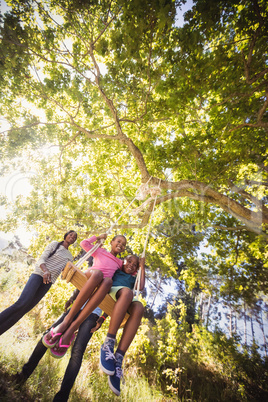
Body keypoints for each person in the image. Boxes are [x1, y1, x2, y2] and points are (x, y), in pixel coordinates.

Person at [13, 288, 109, 402]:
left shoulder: (119, 273)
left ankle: (61, 399)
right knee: (49, 334)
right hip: (77, 306)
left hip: (93, 315)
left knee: (77, 352)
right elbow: (84, 282)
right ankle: (22, 376)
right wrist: (72, 298)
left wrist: (102, 318)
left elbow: (113, 300)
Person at [42, 233, 127, 358]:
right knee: (98, 274)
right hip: (90, 276)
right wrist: (98, 237)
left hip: (101, 286)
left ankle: (71, 330)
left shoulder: (120, 263)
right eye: (118, 241)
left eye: (123, 244)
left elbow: (131, 271)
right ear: (111, 242)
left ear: (124, 249)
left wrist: (140, 265)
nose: (120, 245)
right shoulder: (100, 251)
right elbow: (84, 244)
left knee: (108, 281)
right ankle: (66, 323)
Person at [0, 230, 77, 336]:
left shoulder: (69, 256)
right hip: (38, 275)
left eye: (74, 237)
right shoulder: (55, 244)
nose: (72, 237)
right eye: (71, 234)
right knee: (21, 304)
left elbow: (64, 273)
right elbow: (41, 259)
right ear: (66, 235)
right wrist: (45, 271)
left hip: (48, 283)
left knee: (24, 310)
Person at [100, 254, 145, 396]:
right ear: (123, 261)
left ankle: (118, 358)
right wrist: (102, 317)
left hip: (126, 299)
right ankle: (108, 343)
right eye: (129, 261)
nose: (131, 264)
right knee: (127, 293)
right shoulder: (116, 271)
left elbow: (140, 287)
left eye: (135, 264)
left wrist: (142, 267)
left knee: (139, 307)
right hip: (115, 293)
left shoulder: (134, 278)